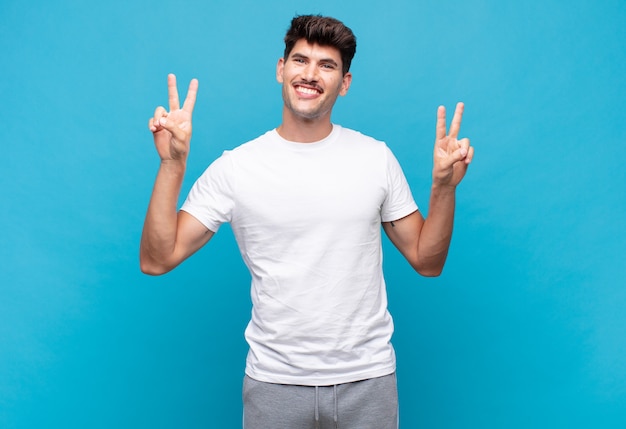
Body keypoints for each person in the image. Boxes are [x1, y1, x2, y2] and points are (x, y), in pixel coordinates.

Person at [140, 14, 473, 429]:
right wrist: (172, 165)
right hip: (274, 385)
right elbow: (157, 259)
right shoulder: (237, 168)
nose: (310, 75)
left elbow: (428, 261)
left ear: (344, 83)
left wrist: (444, 187)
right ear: (282, 69)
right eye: (300, 60)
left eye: (327, 65)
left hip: (367, 380)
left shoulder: (376, 158)